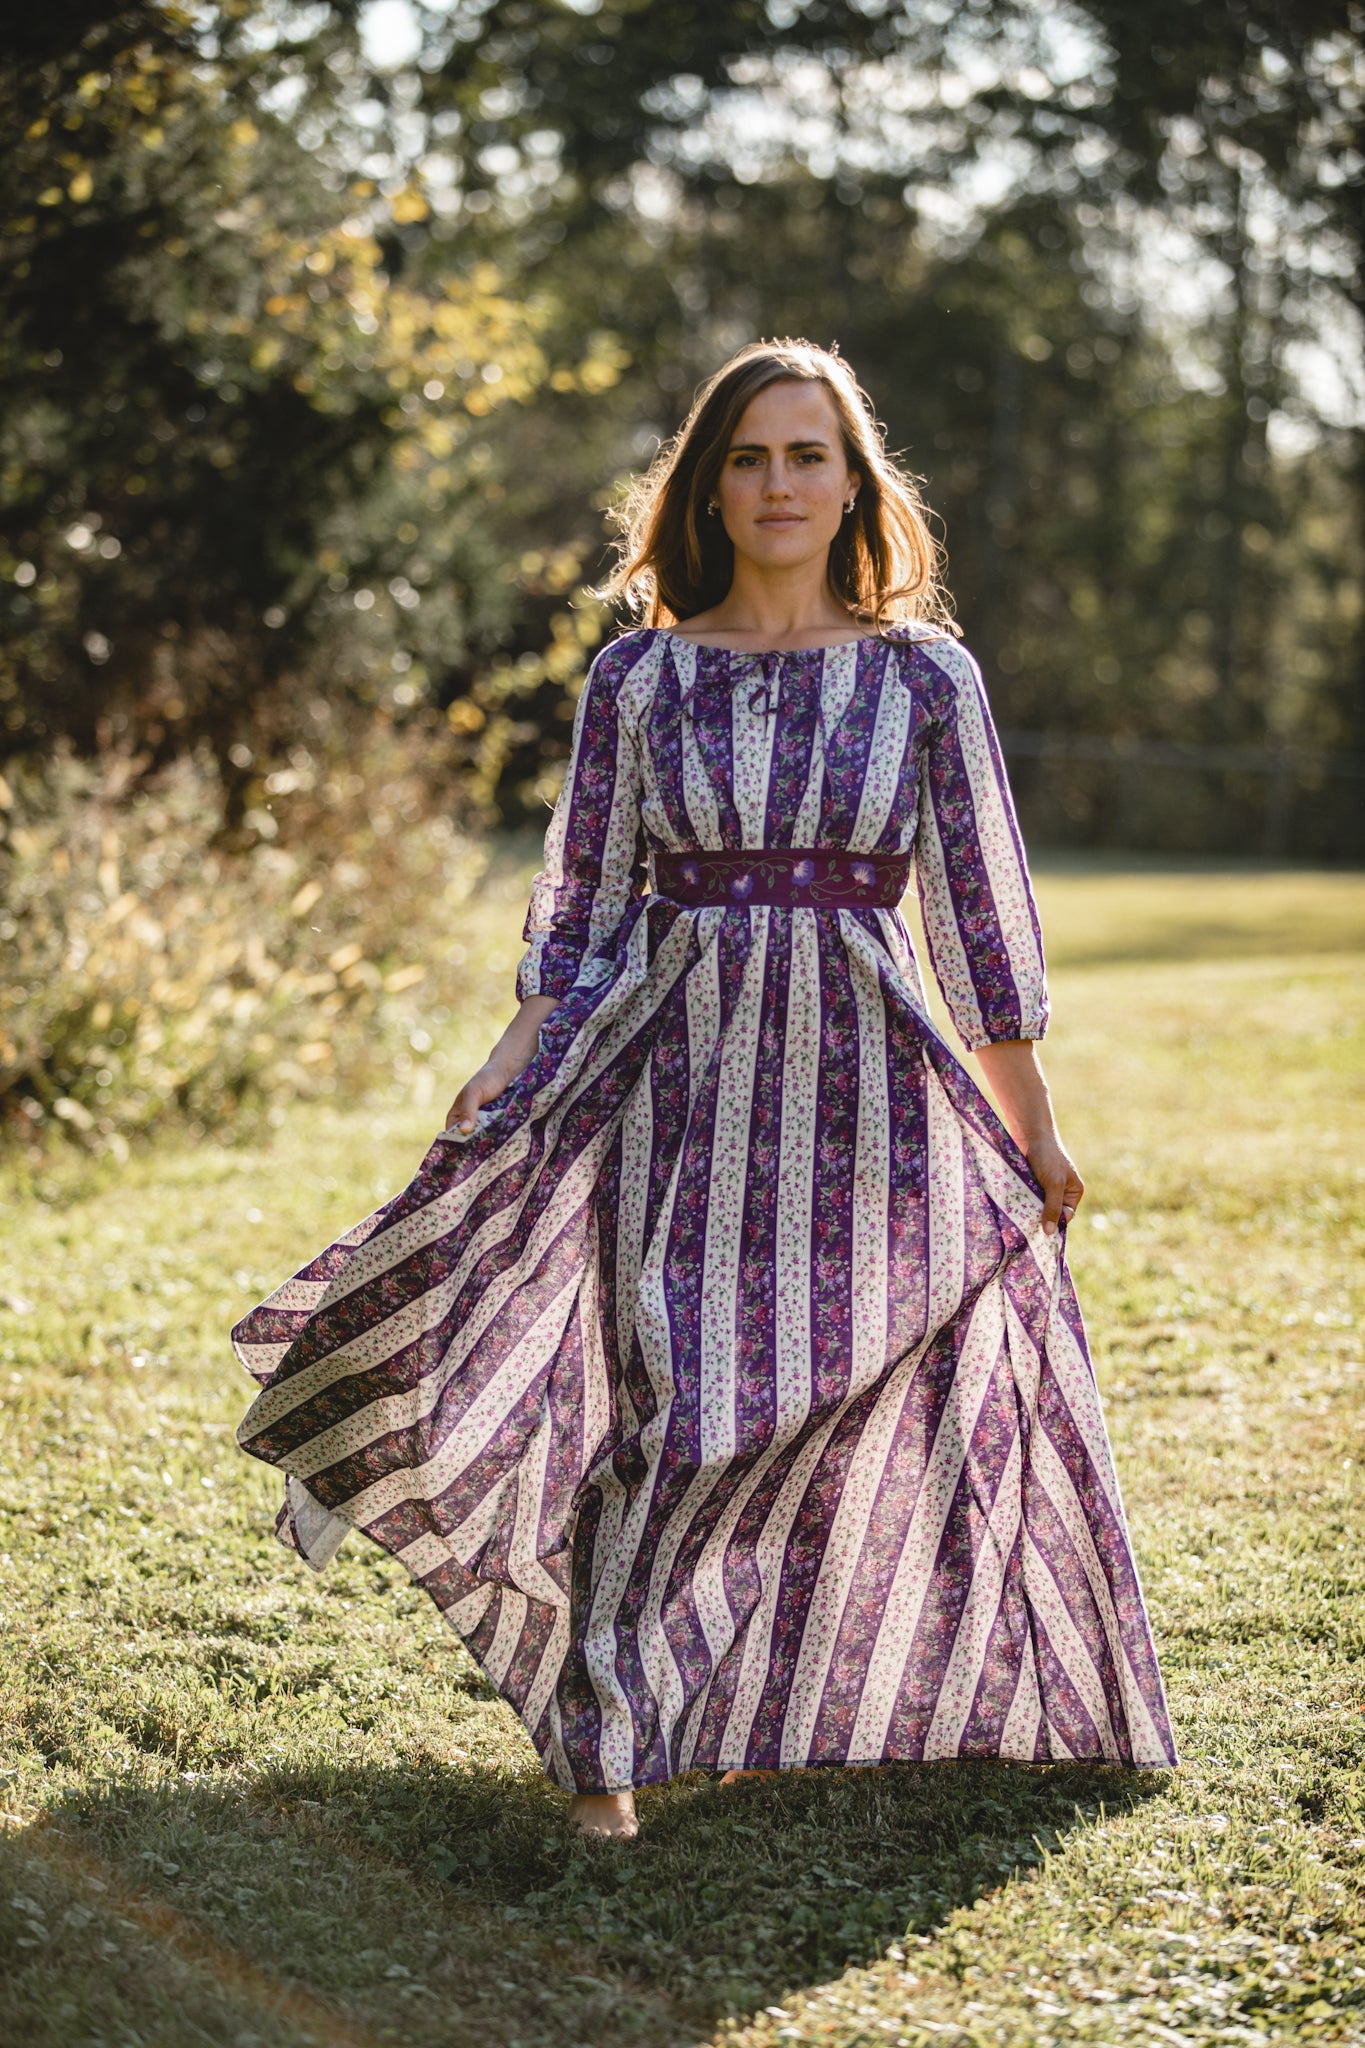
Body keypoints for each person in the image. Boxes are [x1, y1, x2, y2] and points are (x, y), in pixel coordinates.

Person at [233, 339, 1176, 1843]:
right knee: (668, 1398)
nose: (778, 484)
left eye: (807, 456)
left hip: (867, 1077)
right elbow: (586, 895)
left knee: (821, 1385)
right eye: (748, 457)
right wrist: (509, 1059)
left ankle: (756, 1703)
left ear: (854, 484)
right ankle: (605, 1750)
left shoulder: (923, 677)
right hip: (670, 1069)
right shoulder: (642, 676)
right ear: (709, 487)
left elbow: (978, 913)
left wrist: (1033, 1124)